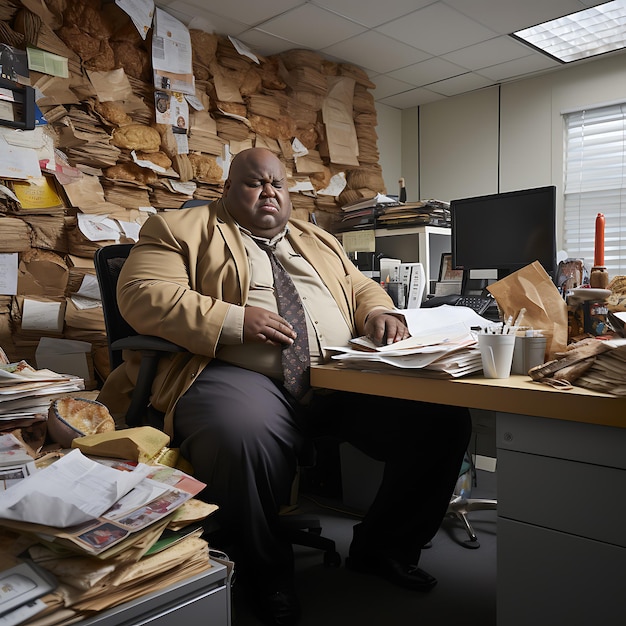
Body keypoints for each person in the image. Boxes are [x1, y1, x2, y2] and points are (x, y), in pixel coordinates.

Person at [98, 148, 472, 626]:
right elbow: (143, 295)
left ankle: (384, 549)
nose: (269, 192)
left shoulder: (318, 240)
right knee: (240, 433)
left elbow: (361, 288)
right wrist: (233, 319)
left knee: (440, 420)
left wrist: (379, 312)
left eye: (277, 184)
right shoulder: (177, 229)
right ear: (227, 190)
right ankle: (262, 572)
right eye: (255, 183)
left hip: (338, 378)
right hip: (237, 374)